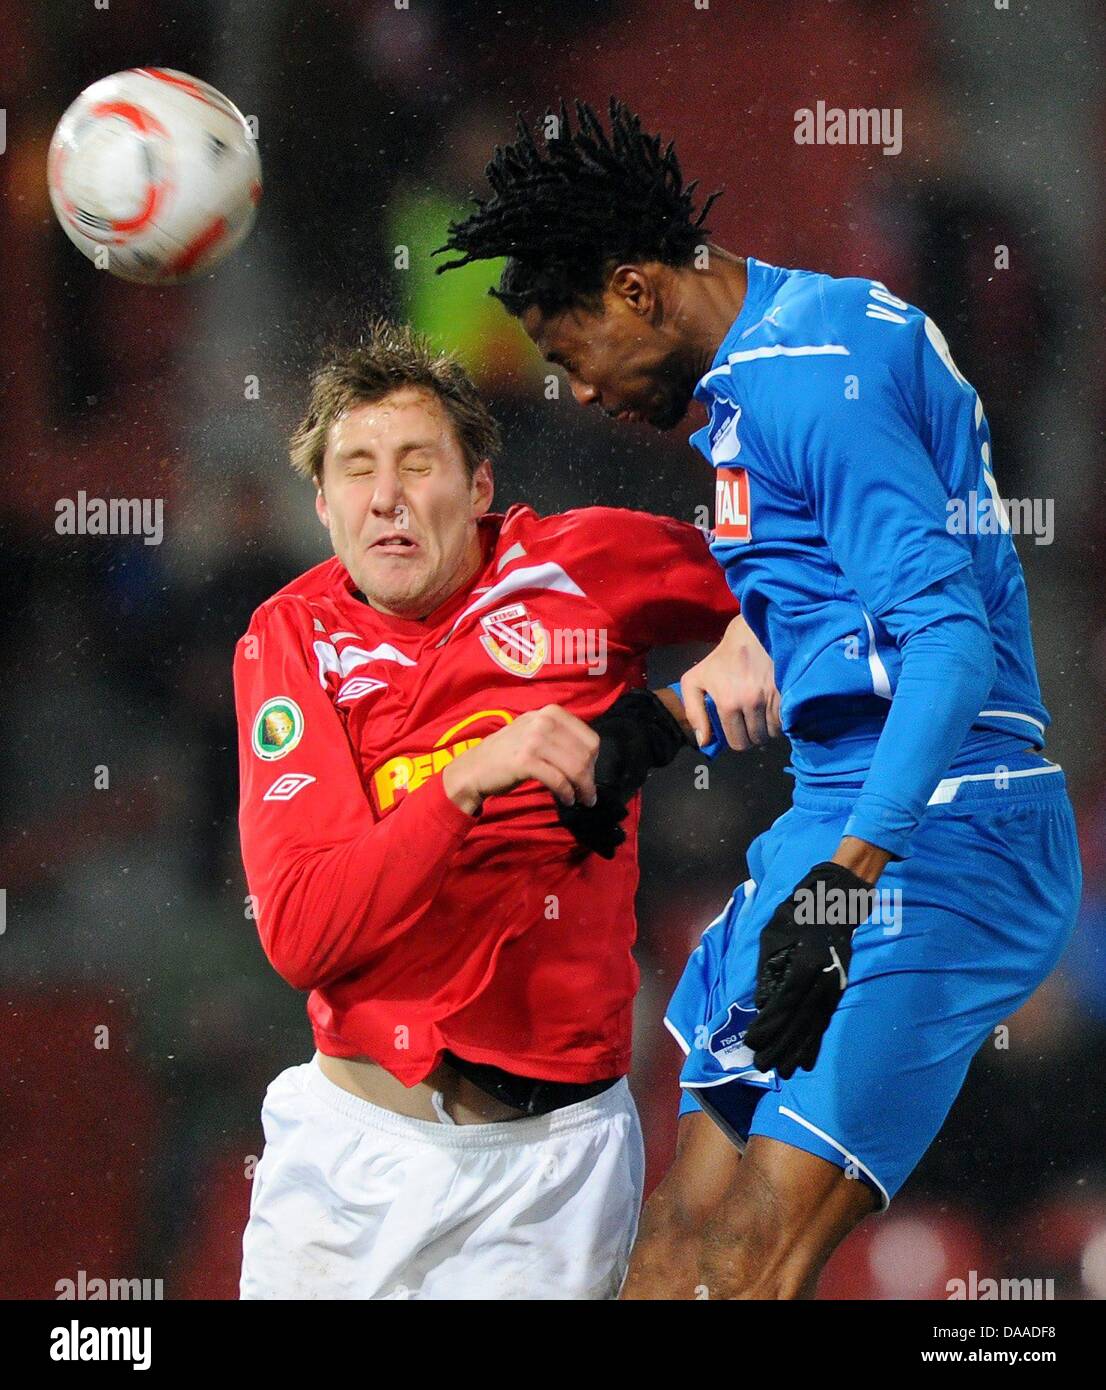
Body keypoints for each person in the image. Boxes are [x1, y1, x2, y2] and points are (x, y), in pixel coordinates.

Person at [435, 98, 1083, 1299]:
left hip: (944, 830)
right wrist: (662, 720)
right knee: (673, 1248)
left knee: (742, 1265)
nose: (572, 392)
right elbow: (827, 615)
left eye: (570, 352)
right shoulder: (777, 360)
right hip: (836, 816)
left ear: (636, 291)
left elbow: (948, 647)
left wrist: (847, 881)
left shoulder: (808, 379)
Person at [233, 319, 775, 1300]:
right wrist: (464, 781)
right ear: (321, 504)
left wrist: (752, 627)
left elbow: (826, 585)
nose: (386, 497)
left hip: (551, 1172)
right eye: (355, 469)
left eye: (415, 462)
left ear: (478, 487)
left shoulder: (581, 567)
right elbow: (303, 935)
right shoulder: (290, 639)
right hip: (347, 1159)